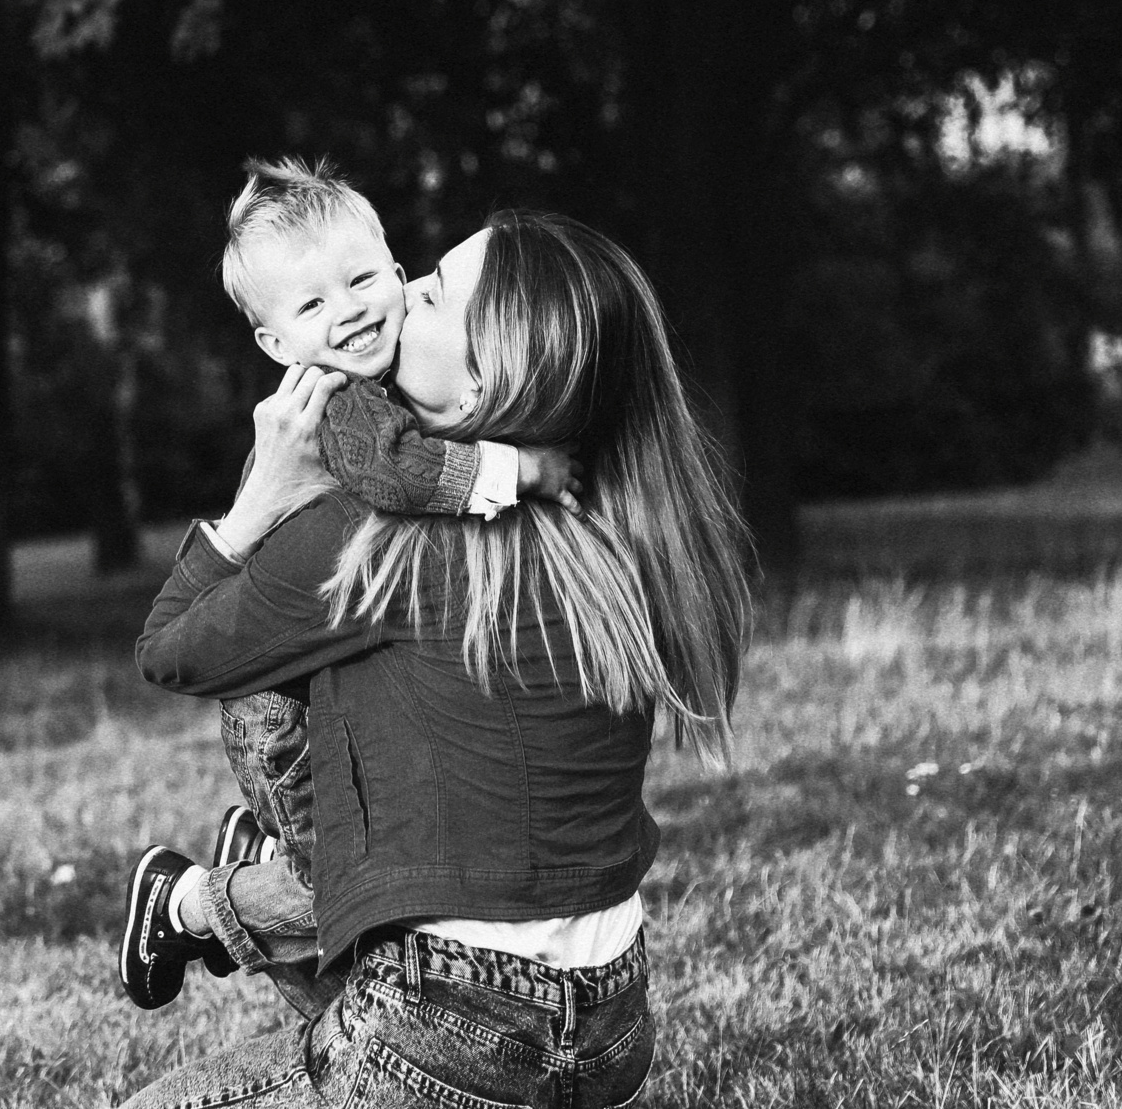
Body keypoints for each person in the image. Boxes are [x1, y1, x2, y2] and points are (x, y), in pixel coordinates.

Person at [122, 210, 752, 1109]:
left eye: (434, 294)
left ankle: (283, 870)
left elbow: (172, 649)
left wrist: (259, 499)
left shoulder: (373, 544)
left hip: (446, 1024)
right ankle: (283, 878)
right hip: (614, 1027)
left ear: (473, 393)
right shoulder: (618, 530)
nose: (401, 290)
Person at [118, 160, 580, 1016]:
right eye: (313, 306)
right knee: (336, 894)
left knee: (350, 916)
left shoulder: (371, 378)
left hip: (319, 683)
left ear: (397, 272)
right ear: (276, 344)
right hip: (278, 708)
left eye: (364, 279)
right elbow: (402, 476)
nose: (352, 311)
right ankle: (186, 905)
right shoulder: (343, 405)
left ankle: (267, 901)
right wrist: (519, 470)